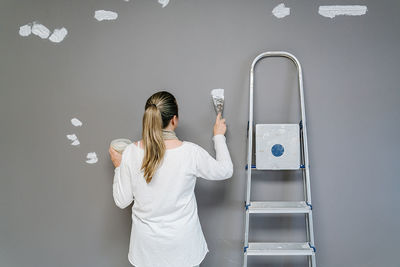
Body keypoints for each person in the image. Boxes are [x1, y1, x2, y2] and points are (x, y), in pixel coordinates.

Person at [109, 91, 233, 267]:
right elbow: (225, 170)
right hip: (183, 250)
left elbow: (122, 201)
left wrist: (119, 166)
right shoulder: (190, 153)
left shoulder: (130, 152)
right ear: (174, 120)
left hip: (146, 251)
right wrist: (219, 136)